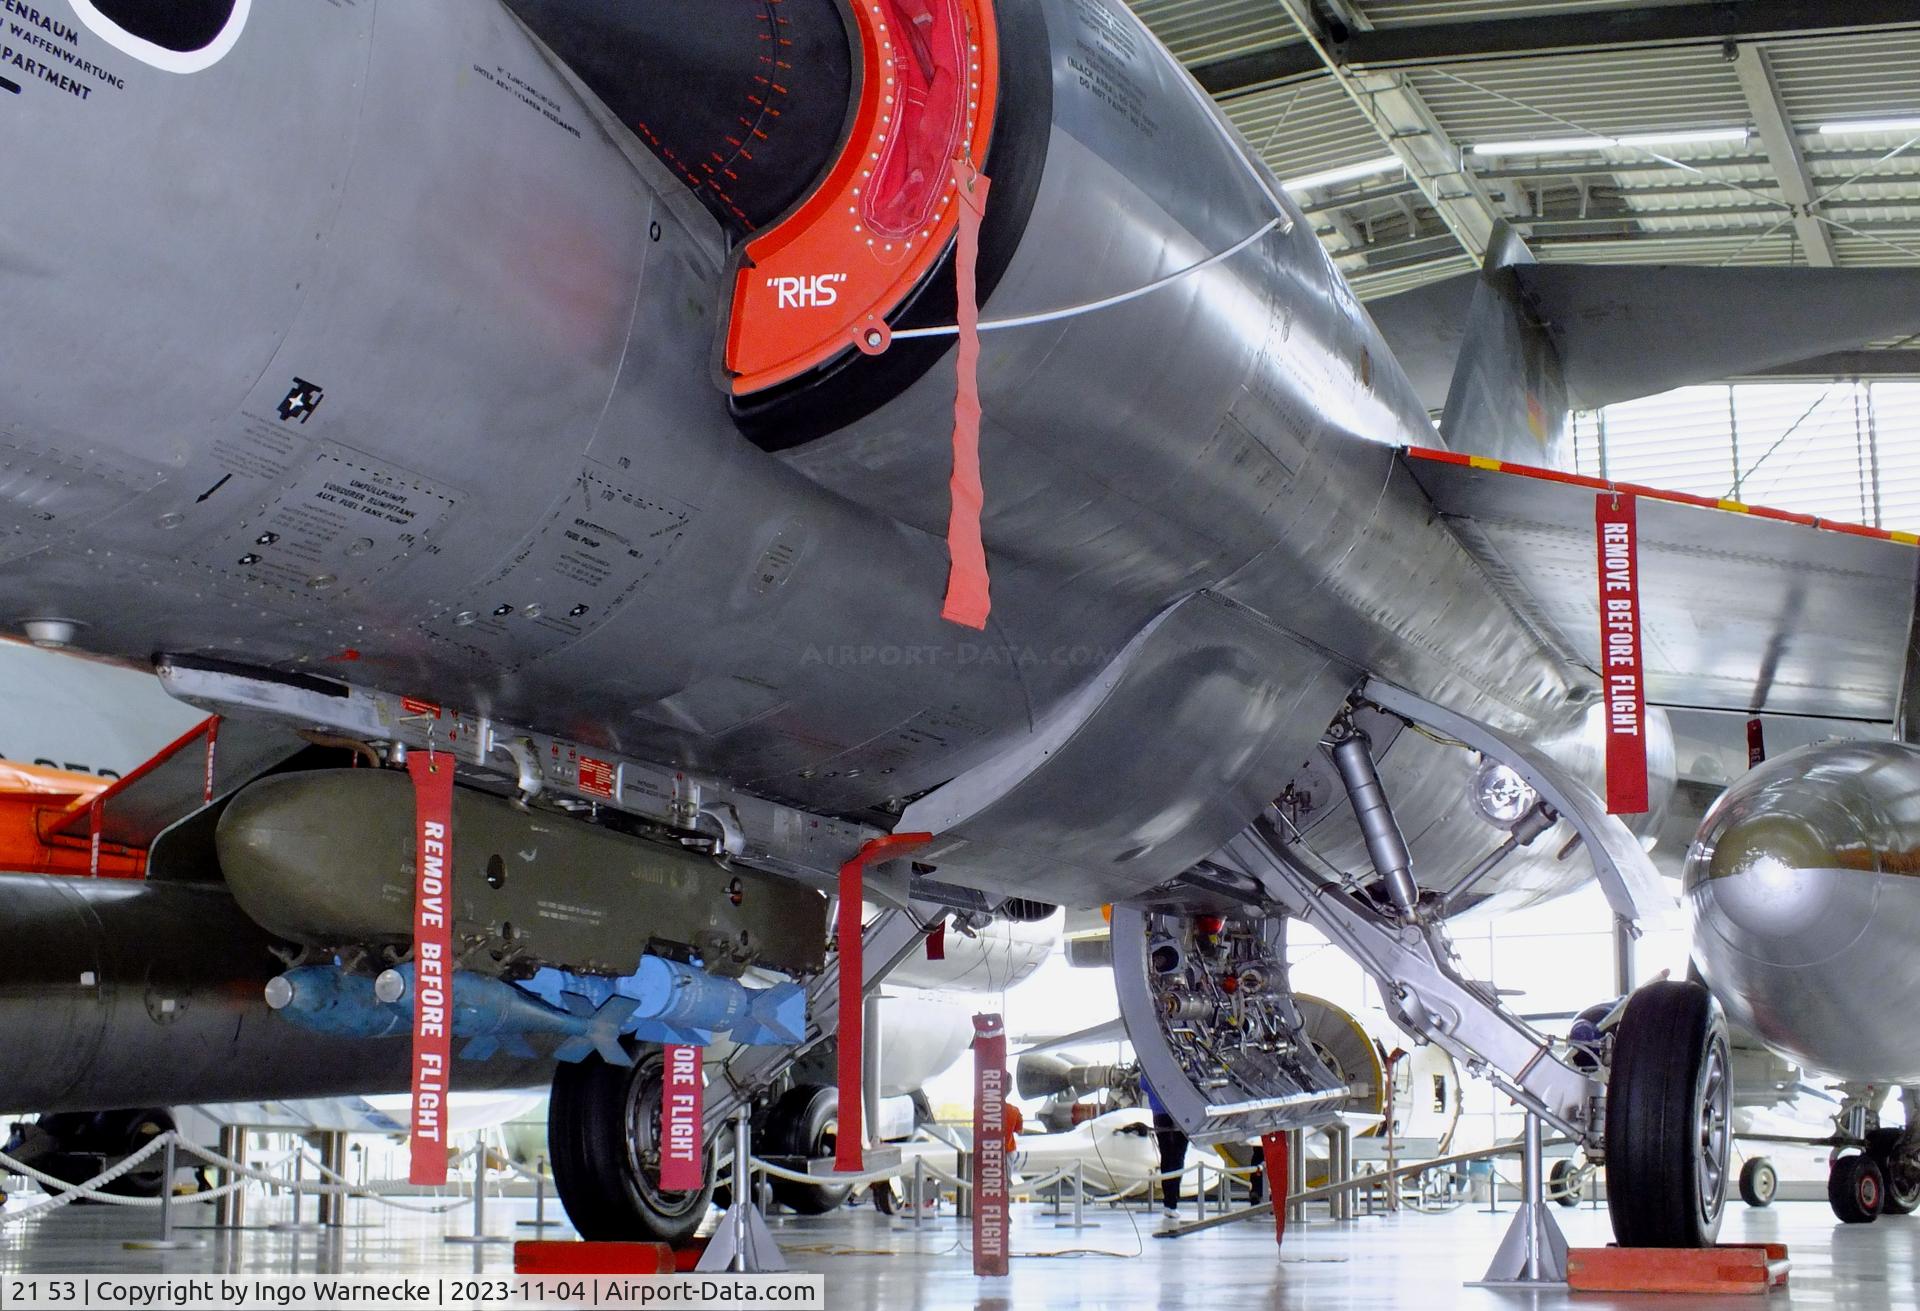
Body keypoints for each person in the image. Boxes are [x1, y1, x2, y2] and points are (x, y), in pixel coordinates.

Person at [1142, 1077, 1188, 1227]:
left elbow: (1143, 1086)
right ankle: (1172, 1200)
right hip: (1179, 1111)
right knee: (1177, 1156)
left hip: (1158, 1113)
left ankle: (1170, 1201)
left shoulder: (1147, 1066)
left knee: (1167, 1156)